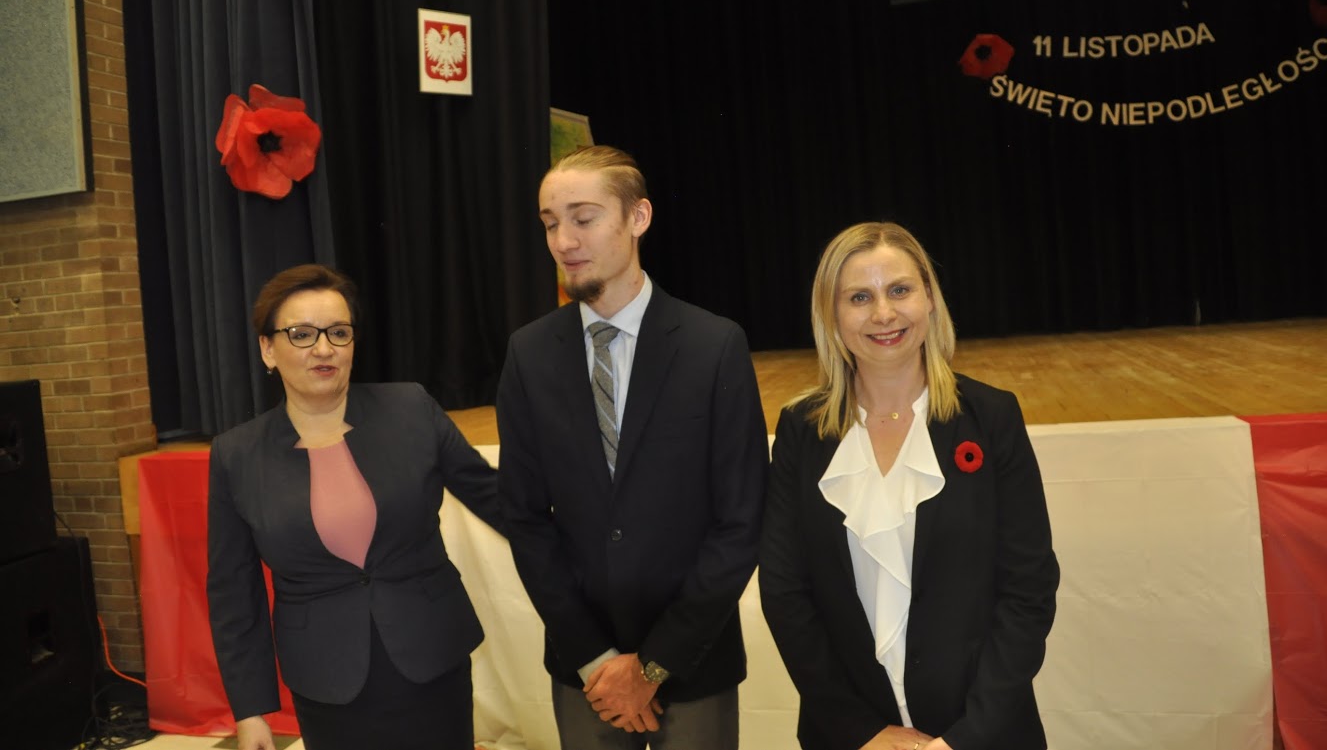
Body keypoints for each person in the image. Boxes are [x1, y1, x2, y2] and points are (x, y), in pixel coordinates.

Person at [497, 145, 769, 749]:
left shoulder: (713, 345)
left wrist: (653, 665)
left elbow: (741, 519)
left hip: (693, 663)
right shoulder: (529, 354)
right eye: (550, 223)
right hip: (585, 671)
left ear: (638, 217)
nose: (563, 240)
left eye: (583, 218)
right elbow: (524, 517)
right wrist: (595, 659)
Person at [759, 222, 1059, 750]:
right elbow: (786, 596)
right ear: (831, 315)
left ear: (930, 299)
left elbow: (1027, 591)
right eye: (859, 297)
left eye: (899, 290)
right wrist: (862, 732)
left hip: (983, 736)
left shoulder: (992, 417)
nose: (884, 313)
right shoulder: (800, 432)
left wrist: (963, 740)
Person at [206, 264, 502, 750]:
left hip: (432, 656)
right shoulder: (236, 454)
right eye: (302, 334)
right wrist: (251, 711)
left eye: (338, 332)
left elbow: (497, 500)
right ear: (267, 349)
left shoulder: (410, 410)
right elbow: (234, 592)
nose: (324, 348)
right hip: (326, 678)